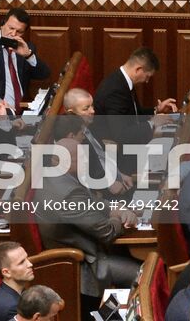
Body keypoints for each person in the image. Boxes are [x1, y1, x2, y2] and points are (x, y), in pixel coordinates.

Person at [33, 115, 141, 301]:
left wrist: (115, 208)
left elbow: (91, 202)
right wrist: (122, 217)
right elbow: (107, 232)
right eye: (80, 158)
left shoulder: (56, 177)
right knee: (142, 274)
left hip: (88, 243)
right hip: (84, 262)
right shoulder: (67, 192)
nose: (85, 161)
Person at [91, 48, 178, 172]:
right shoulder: (115, 89)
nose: (147, 81)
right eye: (147, 76)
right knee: (171, 158)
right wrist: (152, 123)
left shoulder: (122, 81)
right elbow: (121, 135)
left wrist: (156, 110)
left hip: (128, 146)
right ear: (138, 69)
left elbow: (132, 114)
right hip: (118, 156)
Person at [60, 89, 131, 196]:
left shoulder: (92, 126)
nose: (93, 111)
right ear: (71, 113)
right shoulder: (74, 142)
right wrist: (108, 184)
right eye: (86, 108)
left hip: (117, 179)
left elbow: (102, 156)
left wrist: (120, 174)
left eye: (92, 106)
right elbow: (86, 174)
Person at [0, 7, 52, 111]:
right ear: (2, 24)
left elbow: (44, 74)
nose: (13, 34)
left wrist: (28, 56)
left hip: (22, 109)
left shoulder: (26, 47)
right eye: (11, 28)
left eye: (19, 31)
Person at [0, 242, 33, 321]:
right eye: (22, 262)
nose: (30, 264)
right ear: (6, 273)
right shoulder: (11, 308)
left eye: (27, 258)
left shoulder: (15, 291)